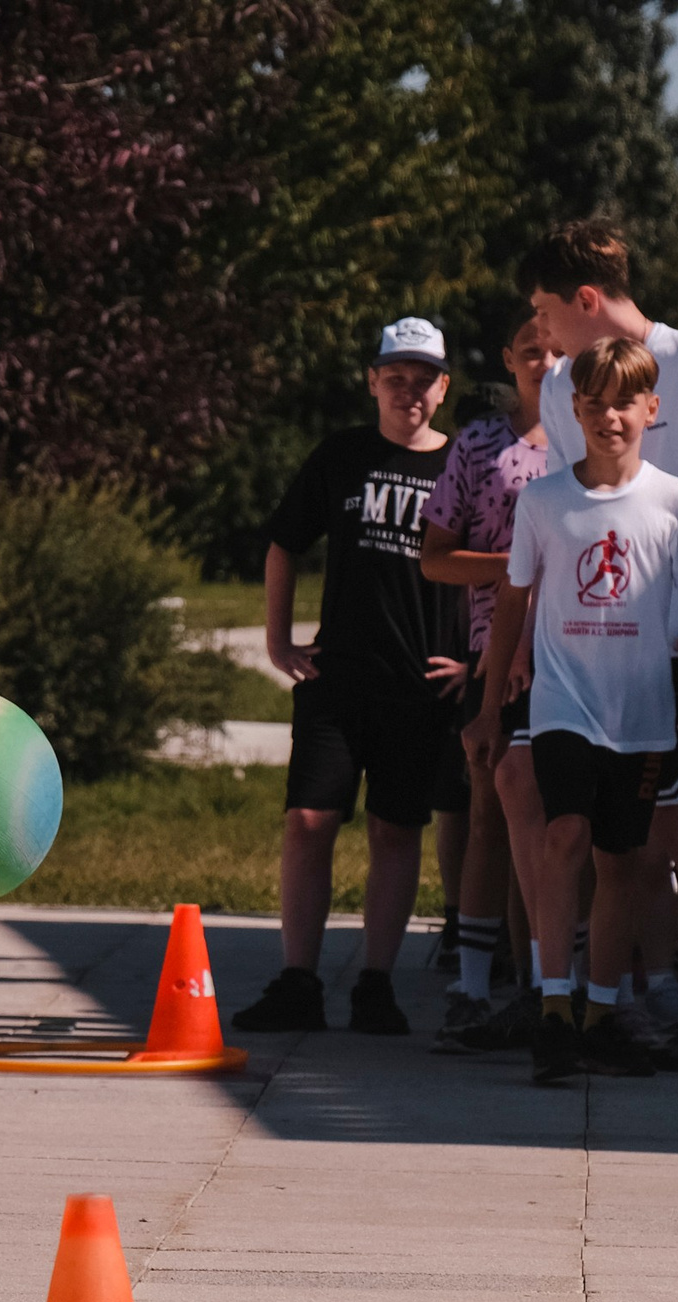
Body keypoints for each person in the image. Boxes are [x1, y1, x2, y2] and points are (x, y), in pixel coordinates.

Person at [522, 221, 678, 1065]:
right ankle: (599, 1002)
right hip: (588, 652)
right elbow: (567, 511)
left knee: (677, 821)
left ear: (586, 298)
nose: (540, 329)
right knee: (602, 834)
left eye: (546, 309)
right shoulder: (562, 386)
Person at [488, 334, 678, 1083]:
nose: (609, 417)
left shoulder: (676, 500)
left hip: (642, 712)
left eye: (625, 403)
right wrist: (492, 706)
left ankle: (600, 1016)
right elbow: (512, 602)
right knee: (565, 834)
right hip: (563, 702)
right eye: (593, 404)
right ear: (574, 410)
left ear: (652, 409)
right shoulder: (544, 500)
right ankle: (553, 1009)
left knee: (623, 860)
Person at [236, 317, 466, 1037]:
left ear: (444, 387)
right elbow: (284, 543)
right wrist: (279, 640)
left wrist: (477, 660)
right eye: (395, 378)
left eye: (423, 380)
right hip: (338, 678)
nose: (409, 392)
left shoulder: (462, 465)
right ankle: (299, 981)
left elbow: (505, 566)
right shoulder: (342, 455)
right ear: (372, 381)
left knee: (396, 830)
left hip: (421, 684)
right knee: (309, 821)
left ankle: (376, 983)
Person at [422, 310, 559, 1045]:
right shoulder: (478, 446)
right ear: (509, 358)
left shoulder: (595, 441)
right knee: (489, 816)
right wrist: (513, 568)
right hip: (493, 654)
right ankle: (474, 983)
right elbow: (435, 556)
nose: (546, 362)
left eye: (559, 350)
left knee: (561, 823)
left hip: (576, 653)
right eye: (531, 351)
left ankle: (552, 981)